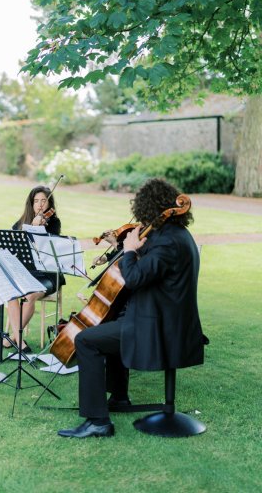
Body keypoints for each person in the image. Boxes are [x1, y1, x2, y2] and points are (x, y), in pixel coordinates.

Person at [58, 178, 204, 439]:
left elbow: (135, 277)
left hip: (159, 326)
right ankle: (120, 397)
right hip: (165, 317)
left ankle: (97, 421)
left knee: (87, 340)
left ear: (148, 208)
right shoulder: (174, 235)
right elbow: (148, 269)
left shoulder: (167, 243)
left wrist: (128, 251)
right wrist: (126, 249)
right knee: (112, 323)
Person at [5, 185, 64, 353]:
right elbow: (14, 250)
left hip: (47, 273)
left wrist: (38, 229)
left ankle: (11, 339)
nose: (39, 205)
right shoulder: (20, 223)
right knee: (12, 294)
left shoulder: (53, 223)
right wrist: (29, 226)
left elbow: (48, 252)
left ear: (49, 204)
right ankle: (19, 340)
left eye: (43, 201)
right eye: (36, 201)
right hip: (26, 272)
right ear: (31, 204)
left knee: (30, 295)